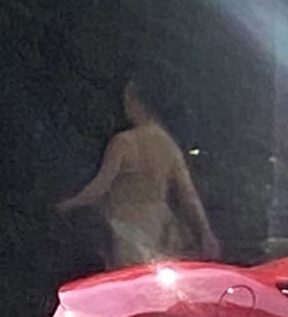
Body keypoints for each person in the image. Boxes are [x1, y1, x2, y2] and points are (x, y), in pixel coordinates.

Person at [57, 77, 220, 270]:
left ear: (138, 102)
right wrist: (205, 233)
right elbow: (189, 196)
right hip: (163, 231)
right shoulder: (168, 145)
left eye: (128, 98)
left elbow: (98, 189)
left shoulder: (123, 143)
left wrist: (67, 205)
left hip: (127, 229)